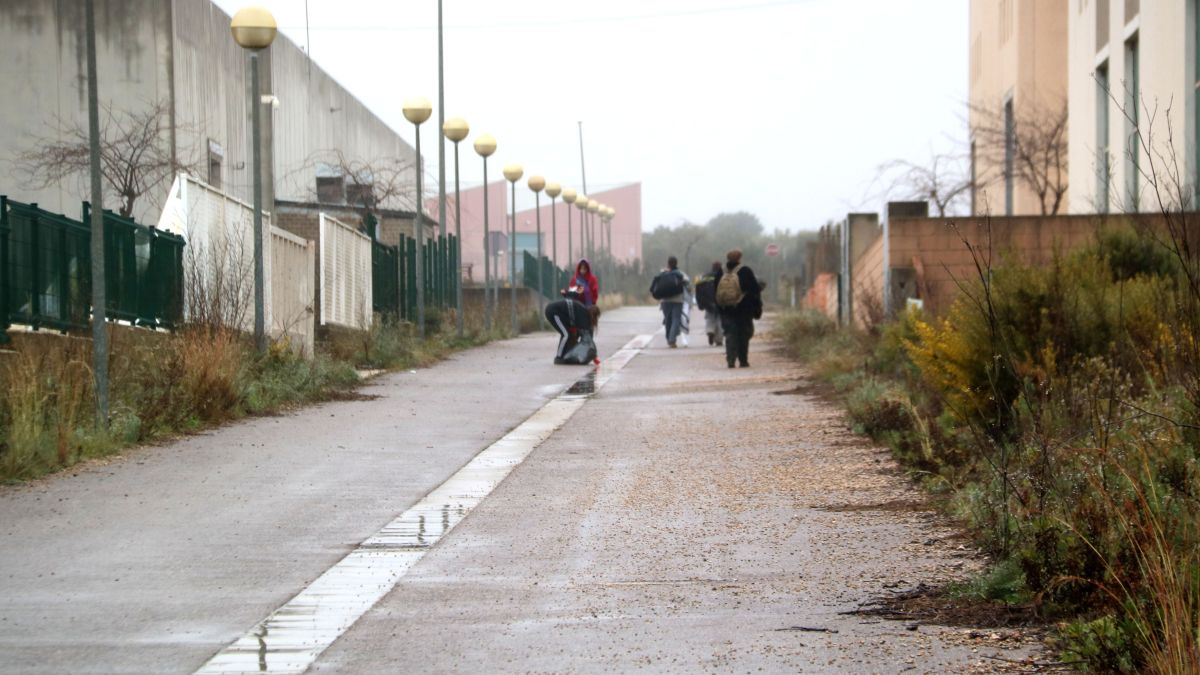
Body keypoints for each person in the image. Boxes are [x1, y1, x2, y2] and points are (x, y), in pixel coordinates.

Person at [715, 249, 762, 368]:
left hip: (726, 309)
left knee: (730, 334)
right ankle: (743, 360)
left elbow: (715, 290)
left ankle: (730, 360)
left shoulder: (721, 271)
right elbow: (754, 290)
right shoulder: (745, 271)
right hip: (744, 310)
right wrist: (757, 307)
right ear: (739, 258)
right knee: (744, 334)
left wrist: (719, 307)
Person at [545, 286, 594, 364]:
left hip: (557, 312)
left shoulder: (581, 310)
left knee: (567, 334)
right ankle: (559, 357)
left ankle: (563, 355)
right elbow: (586, 335)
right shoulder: (583, 314)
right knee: (566, 334)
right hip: (553, 312)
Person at [652, 256, 689, 348]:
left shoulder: (663, 273)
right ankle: (672, 340)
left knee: (668, 320)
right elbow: (687, 282)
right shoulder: (680, 273)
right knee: (676, 319)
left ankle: (669, 338)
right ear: (676, 263)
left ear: (668, 263)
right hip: (677, 300)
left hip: (665, 301)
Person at [693, 261, 724, 347]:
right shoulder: (723, 277)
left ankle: (710, 330)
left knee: (709, 318)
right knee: (719, 320)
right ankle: (719, 340)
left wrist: (701, 303)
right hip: (720, 302)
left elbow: (698, 289)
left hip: (708, 302)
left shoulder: (705, 276)